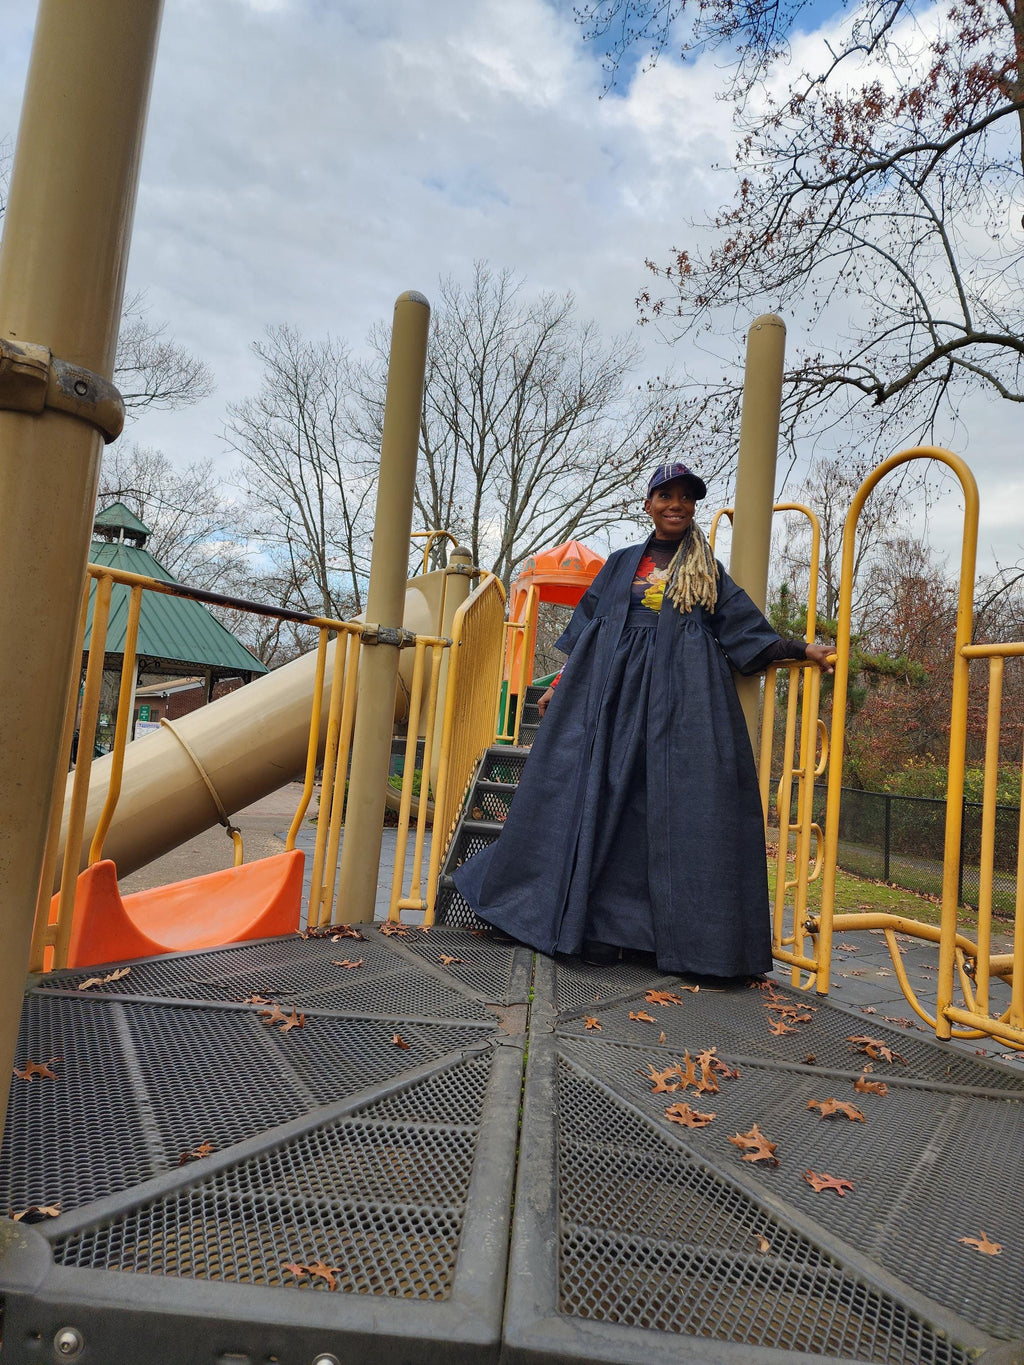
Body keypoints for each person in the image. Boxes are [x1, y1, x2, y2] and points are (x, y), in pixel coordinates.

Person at [453, 461, 834, 980]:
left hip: (679, 704)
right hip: (608, 698)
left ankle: (636, 934)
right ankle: (567, 920)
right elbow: (590, 627)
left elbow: (745, 631)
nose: (676, 504)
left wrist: (802, 648)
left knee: (660, 809)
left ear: (693, 507)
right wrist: (563, 684)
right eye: (666, 496)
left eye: (686, 497)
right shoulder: (620, 563)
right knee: (591, 798)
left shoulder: (705, 571)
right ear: (650, 503)